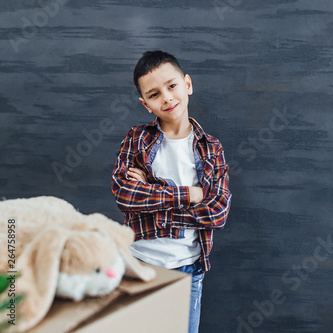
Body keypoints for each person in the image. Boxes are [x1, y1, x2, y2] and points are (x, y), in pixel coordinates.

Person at [111, 50, 232, 333]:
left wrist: (154, 195)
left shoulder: (211, 148)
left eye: (172, 86)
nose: (166, 97)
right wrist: (189, 195)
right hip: (140, 265)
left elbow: (217, 212)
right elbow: (125, 195)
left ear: (187, 84)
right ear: (145, 104)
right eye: (154, 94)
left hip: (188, 270)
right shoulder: (137, 139)